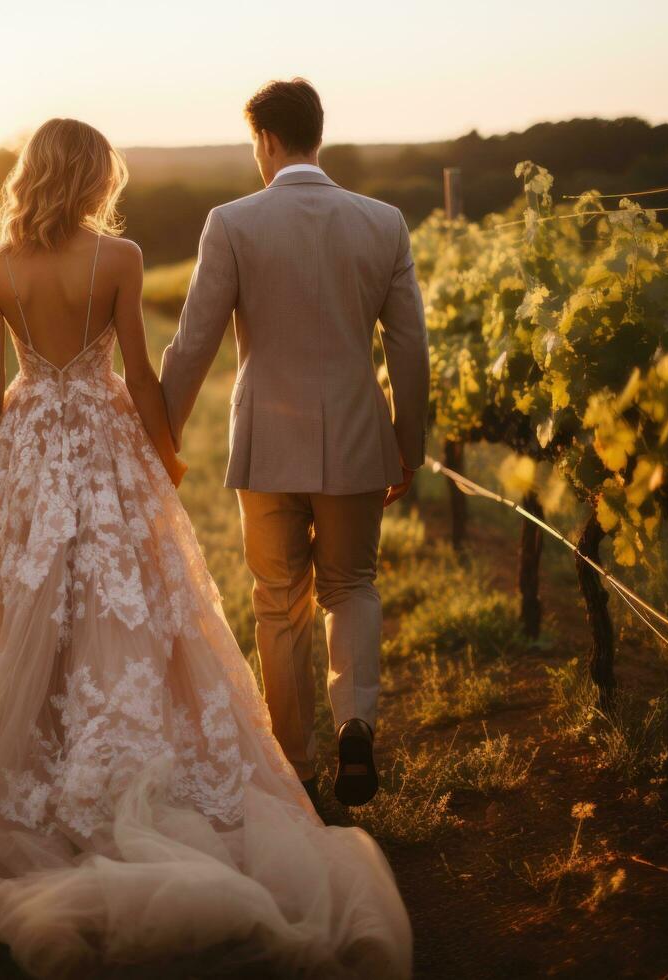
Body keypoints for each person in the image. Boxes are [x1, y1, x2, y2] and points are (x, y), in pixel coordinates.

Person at [0, 116, 412, 979]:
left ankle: (43, 737)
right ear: (92, 180)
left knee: (40, 594)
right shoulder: (117, 260)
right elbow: (143, 374)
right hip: (107, 443)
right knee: (129, 593)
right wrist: (162, 456)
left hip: (31, 441)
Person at [160, 78, 431, 810]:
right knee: (353, 586)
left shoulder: (231, 222)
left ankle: (298, 768)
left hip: (266, 447)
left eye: (255, 143)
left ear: (269, 141)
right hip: (356, 436)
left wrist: (160, 440)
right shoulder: (384, 223)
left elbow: (191, 348)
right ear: (317, 133)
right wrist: (411, 445)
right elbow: (410, 349)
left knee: (279, 604)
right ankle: (355, 726)